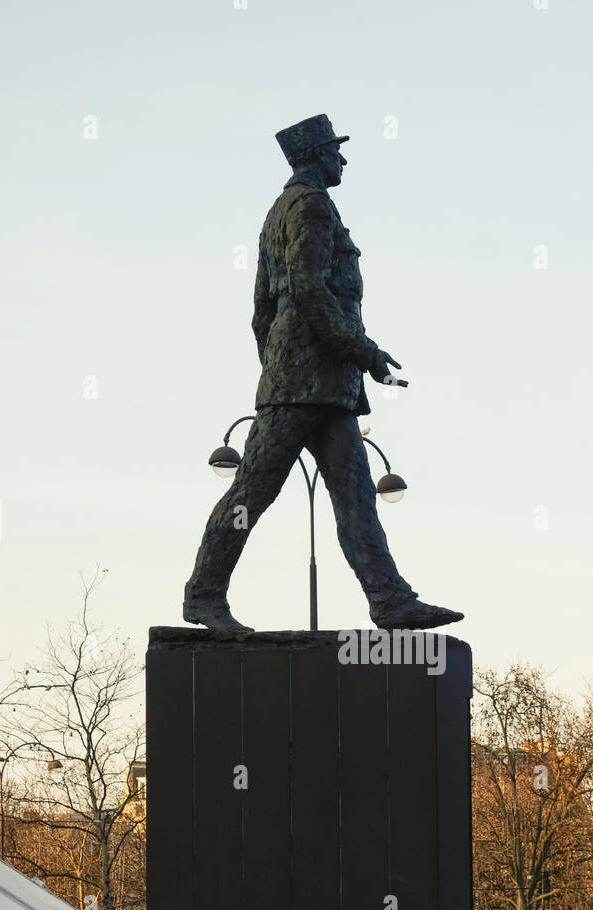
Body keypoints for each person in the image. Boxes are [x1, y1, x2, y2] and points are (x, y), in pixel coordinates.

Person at [183, 114, 462, 637]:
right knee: (252, 492)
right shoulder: (310, 205)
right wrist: (362, 351)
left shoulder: (282, 211)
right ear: (316, 156)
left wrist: (281, 361)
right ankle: (203, 594)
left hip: (319, 384)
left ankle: (390, 600)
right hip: (304, 383)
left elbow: (262, 311)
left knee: (355, 496)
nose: (344, 159)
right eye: (337, 150)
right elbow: (307, 290)